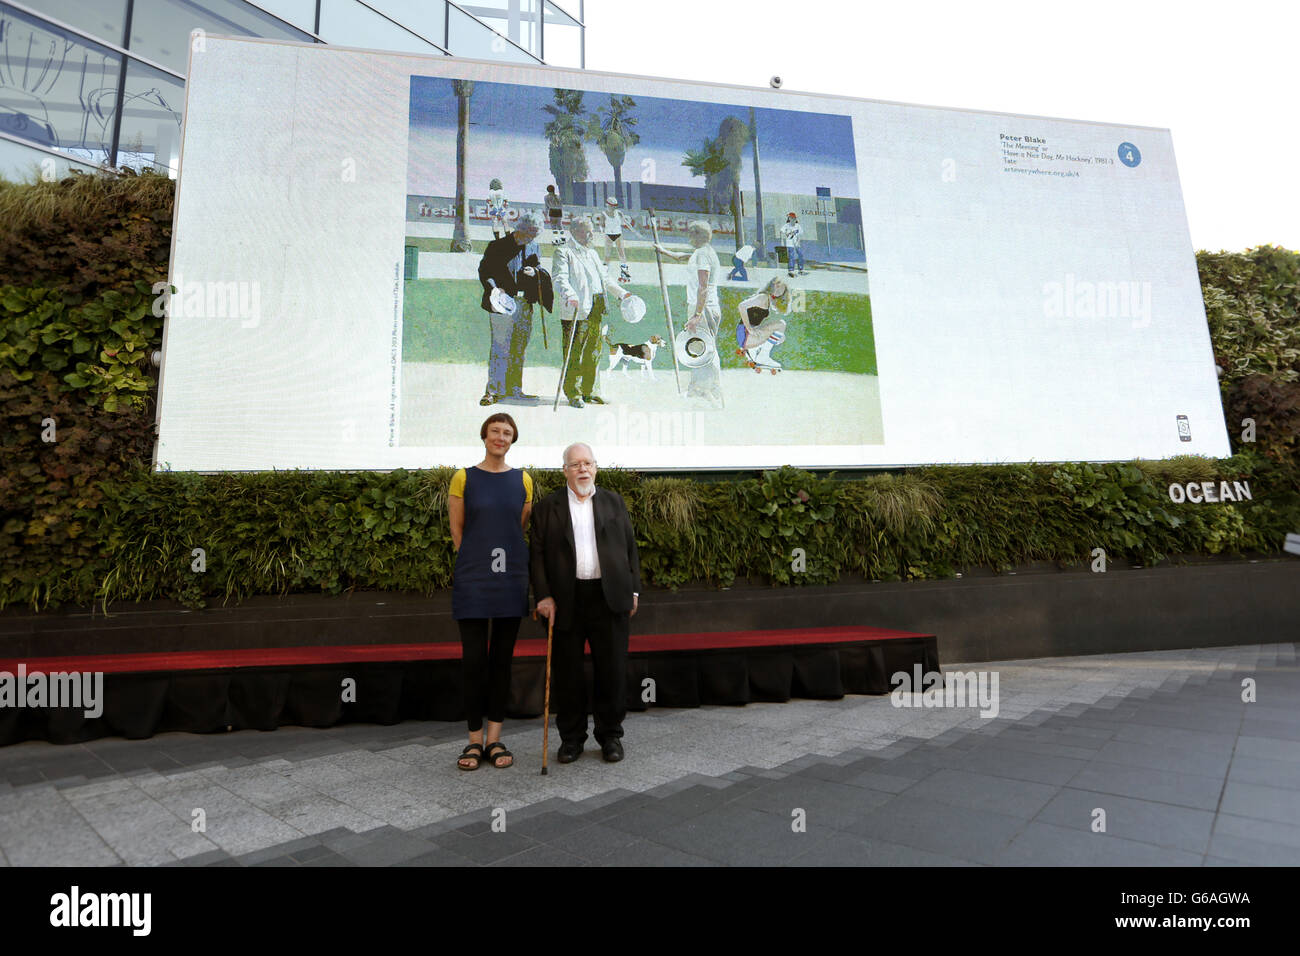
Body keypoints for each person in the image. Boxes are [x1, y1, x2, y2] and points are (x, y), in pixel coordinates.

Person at [531, 442, 640, 763]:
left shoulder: (613, 502)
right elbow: (536, 557)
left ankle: (610, 737)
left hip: (609, 598)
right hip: (566, 600)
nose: (582, 469)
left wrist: (634, 591)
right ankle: (572, 739)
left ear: (595, 468)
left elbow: (630, 548)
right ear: (564, 470)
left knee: (613, 670)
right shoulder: (546, 508)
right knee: (568, 674)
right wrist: (543, 596)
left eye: (587, 463)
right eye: (575, 464)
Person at [448, 413, 533, 770]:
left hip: (510, 580)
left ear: (513, 440)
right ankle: (472, 742)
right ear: (484, 436)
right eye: (495, 431)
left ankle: (495, 739)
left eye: (507, 433)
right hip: (473, 579)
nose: (500, 437)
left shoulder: (523, 479)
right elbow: (458, 531)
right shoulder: (463, 477)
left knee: (502, 660)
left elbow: (520, 525)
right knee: (473, 662)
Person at [552, 216, 635, 408]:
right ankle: (574, 393)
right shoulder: (564, 252)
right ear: (574, 231)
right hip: (576, 308)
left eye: (591, 230)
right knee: (574, 352)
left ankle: (591, 391)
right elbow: (559, 278)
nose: (591, 234)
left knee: (594, 351)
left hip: (596, 306)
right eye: (586, 231)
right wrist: (570, 294)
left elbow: (605, 279)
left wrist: (623, 293)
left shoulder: (592, 253)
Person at [477, 212, 546, 405]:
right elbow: (484, 271)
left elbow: (539, 269)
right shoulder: (497, 246)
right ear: (520, 230)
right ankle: (493, 391)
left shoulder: (534, 246)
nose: (530, 239)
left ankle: (514, 388)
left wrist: (535, 272)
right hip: (502, 302)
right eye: (528, 235)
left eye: (534, 236)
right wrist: (494, 288)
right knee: (500, 347)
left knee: (519, 348)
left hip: (525, 304)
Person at [655, 220, 723, 405]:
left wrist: (697, 315)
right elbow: (683, 257)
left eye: (690, 234)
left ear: (696, 235)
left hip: (703, 308)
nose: (688, 238)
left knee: (701, 350)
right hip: (705, 307)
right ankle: (701, 389)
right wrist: (664, 251)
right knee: (701, 348)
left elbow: (703, 287)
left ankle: (708, 390)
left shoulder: (702, 254)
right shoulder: (703, 252)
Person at [735, 276, 791, 370]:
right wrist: (749, 328)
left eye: (781, 289)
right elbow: (741, 306)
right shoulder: (763, 297)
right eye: (777, 286)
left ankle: (755, 352)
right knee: (781, 325)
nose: (778, 290)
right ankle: (762, 356)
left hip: (747, 335)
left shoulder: (768, 299)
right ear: (772, 285)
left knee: (780, 337)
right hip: (745, 334)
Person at [602, 196, 632, 283]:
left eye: (615, 206)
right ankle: (604, 274)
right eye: (611, 205)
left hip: (618, 234)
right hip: (608, 235)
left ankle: (625, 274)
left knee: (622, 254)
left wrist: (630, 226)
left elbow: (625, 222)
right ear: (607, 205)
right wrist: (601, 229)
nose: (613, 207)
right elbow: (601, 224)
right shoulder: (604, 213)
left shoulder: (619, 213)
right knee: (607, 255)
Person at [781, 212, 806, 277]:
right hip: (789, 243)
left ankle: (801, 269)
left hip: (796, 243)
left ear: (795, 219)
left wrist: (798, 241)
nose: (792, 219)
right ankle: (791, 270)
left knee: (800, 254)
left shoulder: (798, 226)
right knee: (791, 256)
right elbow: (781, 232)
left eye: (793, 218)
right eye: (791, 218)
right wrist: (782, 241)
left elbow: (800, 234)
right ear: (789, 218)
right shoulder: (786, 225)